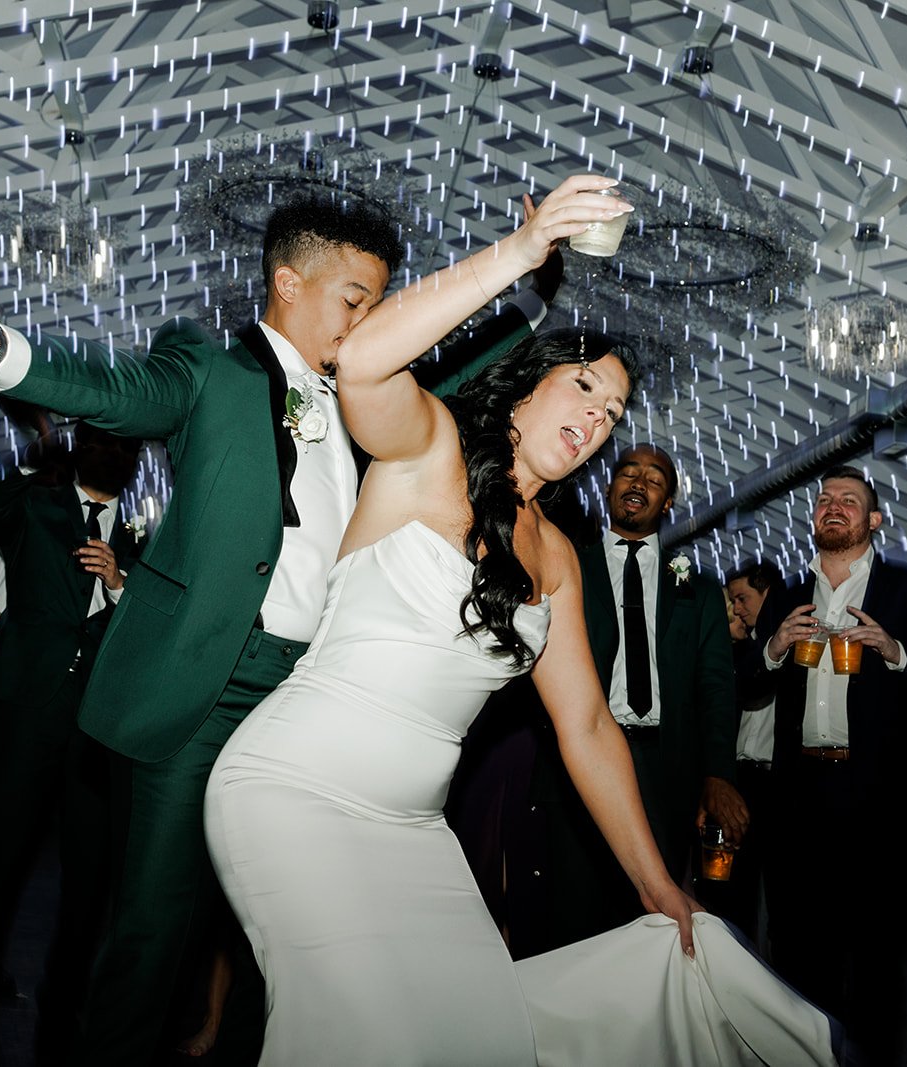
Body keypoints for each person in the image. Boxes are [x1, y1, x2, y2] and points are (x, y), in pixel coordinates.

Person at [0, 192, 552, 1064]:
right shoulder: (204, 362)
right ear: (286, 281)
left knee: (287, 944)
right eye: (354, 298)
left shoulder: (374, 398)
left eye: (377, 304)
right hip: (204, 687)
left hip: (314, 699)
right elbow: (113, 389)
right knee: (157, 933)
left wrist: (530, 282)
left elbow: (462, 368)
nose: (366, 320)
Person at [204, 176, 838, 1066]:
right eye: (582, 386)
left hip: (417, 836)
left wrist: (660, 885)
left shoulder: (557, 559)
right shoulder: (424, 452)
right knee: (355, 1034)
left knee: (481, 1036)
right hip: (294, 794)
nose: (594, 417)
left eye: (611, 411)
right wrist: (521, 250)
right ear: (526, 386)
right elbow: (362, 361)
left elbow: (584, 725)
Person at [740, 464, 907, 1063]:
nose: (833, 505)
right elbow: (742, 687)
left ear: (874, 520)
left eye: (849, 499)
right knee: (796, 951)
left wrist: (897, 652)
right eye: (824, 499)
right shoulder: (789, 600)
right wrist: (771, 649)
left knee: (875, 958)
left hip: (881, 803)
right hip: (799, 801)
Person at [0, 424, 141, 1063]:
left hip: (95, 725)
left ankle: (65, 1006)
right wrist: (42, 452)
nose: (113, 455)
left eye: (125, 448)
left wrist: (119, 584)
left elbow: (148, 626)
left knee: (89, 877)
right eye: (100, 444)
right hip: (27, 710)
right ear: (79, 450)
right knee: (0, 858)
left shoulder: (141, 537)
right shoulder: (35, 505)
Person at [523, 443, 743, 954]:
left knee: (648, 926)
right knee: (571, 920)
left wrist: (718, 775)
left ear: (668, 502)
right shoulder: (565, 565)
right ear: (610, 487)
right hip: (579, 764)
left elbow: (715, 685)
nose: (639, 482)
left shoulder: (697, 585)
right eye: (628, 472)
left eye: (655, 478)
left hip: (667, 771)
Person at [709, 557, 784, 944]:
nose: (737, 607)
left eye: (742, 598)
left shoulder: (793, 647)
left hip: (777, 783)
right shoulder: (738, 654)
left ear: (767, 593)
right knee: (730, 890)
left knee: (781, 899)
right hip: (737, 780)